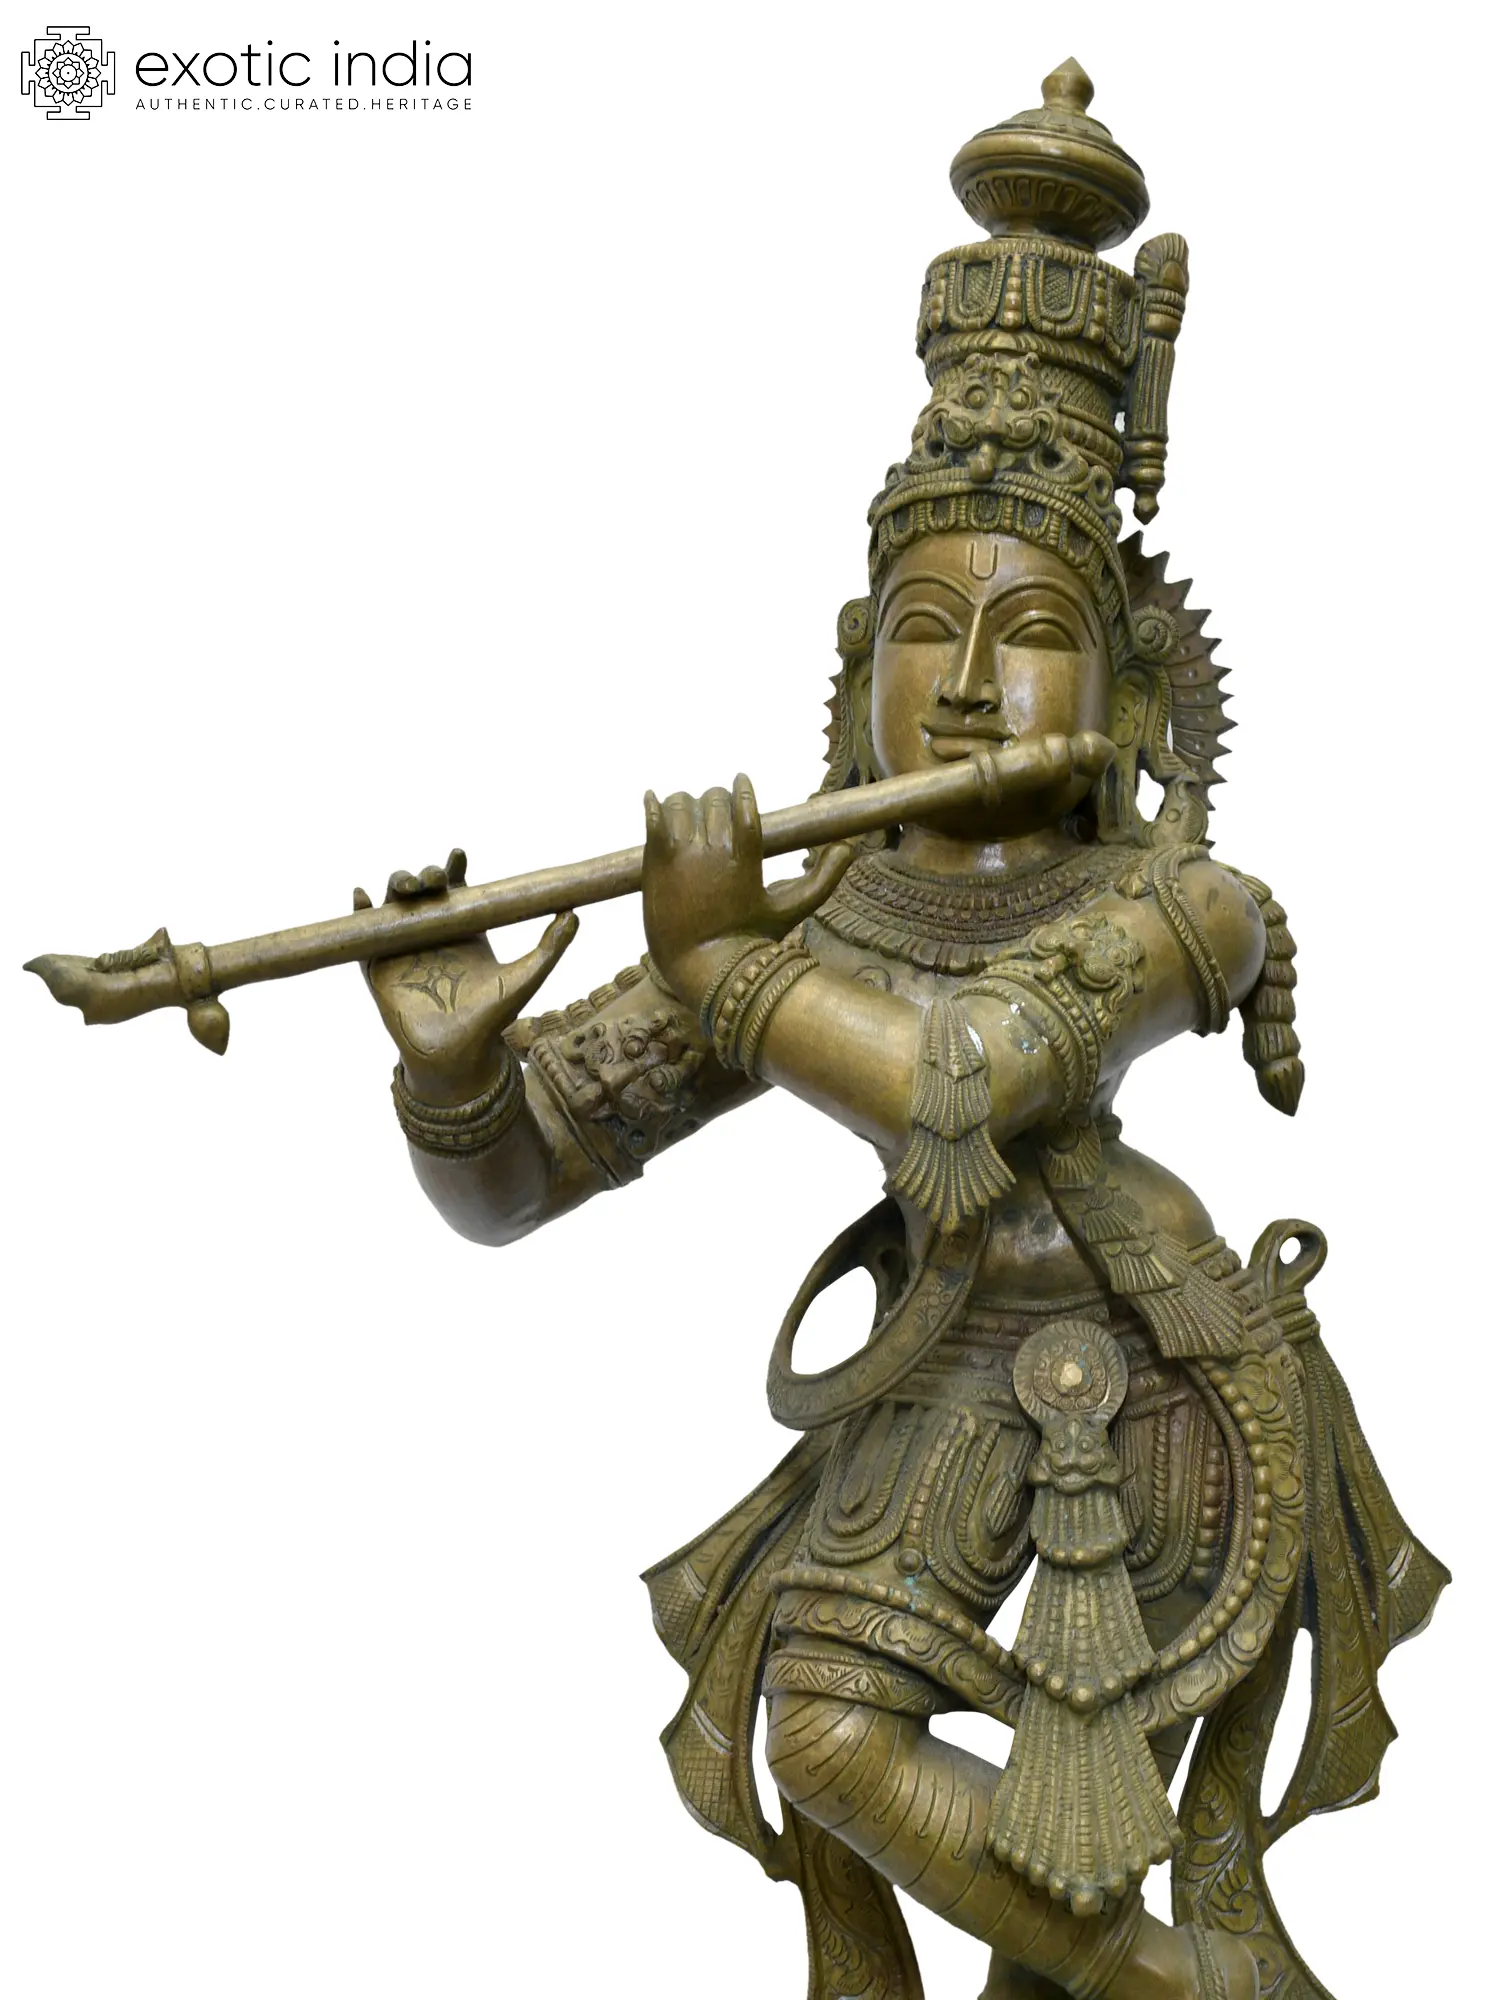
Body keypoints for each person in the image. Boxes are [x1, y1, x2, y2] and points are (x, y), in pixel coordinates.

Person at [361, 65, 1444, 2000]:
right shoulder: (816, 919)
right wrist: (454, 1077)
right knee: (838, 1741)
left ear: (1123, 696)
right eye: (921, 632)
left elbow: (966, 1085)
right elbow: (518, 1187)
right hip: (944, 1368)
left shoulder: (1175, 903)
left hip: (1159, 1379)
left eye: (1029, 637)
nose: (963, 692)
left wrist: (728, 967)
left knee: (901, 1786)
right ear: (855, 667)